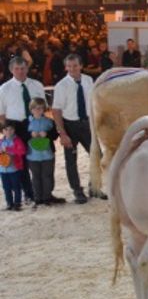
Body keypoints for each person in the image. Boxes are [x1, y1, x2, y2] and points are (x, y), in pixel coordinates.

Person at [0, 56, 46, 203]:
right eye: (17, 69)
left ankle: (43, 192)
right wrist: (8, 133)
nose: (20, 71)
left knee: (39, 158)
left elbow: (43, 107)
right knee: (21, 162)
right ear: (11, 70)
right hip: (15, 126)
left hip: (34, 124)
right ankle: (28, 193)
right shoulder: (3, 89)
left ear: (27, 68)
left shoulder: (37, 85)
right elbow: (1, 114)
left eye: (23, 68)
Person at [52, 54, 93, 204]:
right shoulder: (61, 86)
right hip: (70, 125)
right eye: (69, 66)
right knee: (71, 160)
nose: (72, 69)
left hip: (87, 124)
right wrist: (62, 133)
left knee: (97, 156)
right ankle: (77, 191)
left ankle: (94, 186)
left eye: (75, 65)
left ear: (81, 66)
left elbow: (93, 103)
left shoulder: (89, 80)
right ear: (65, 67)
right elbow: (56, 111)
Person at [26, 98, 58, 208]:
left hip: (47, 155)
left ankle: (47, 197)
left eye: (40, 108)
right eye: (35, 108)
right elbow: (22, 137)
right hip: (32, 156)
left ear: (44, 109)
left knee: (47, 176)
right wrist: (30, 135)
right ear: (31, 109)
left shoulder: (49, 121)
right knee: (35, 177)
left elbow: (55, 136)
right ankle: (38, 198)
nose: (38, 110)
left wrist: (47, 134)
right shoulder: (27, 122)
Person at [0, 121, 27, 211]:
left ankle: (17, 203)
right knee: (6, 187)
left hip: (15, 169)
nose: (8, 131)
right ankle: (9, 203)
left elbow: (22, 151)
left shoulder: (17, 140)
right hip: (3, 170)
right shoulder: (1, 142)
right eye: (6, 130)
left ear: (14, 130)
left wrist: (9, 149)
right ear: (2, 131)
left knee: (16, 187)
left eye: (11, 129)